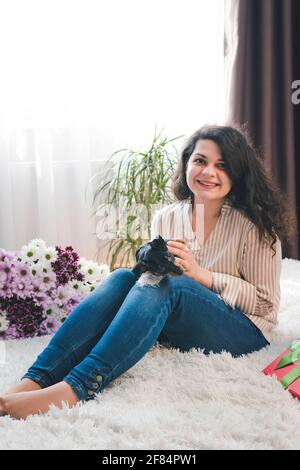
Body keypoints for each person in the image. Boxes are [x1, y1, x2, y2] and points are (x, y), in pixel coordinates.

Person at [0, 125, 294, 420]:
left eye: (222, 165)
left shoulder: (256, 227)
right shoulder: (167, 217)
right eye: (200, 161)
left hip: (245, 330)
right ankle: (34, 380)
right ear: (187, 164)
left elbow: (266, 305)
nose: (208, 172)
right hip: (180, 322)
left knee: (172, 284)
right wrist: (144, 262)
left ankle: (77, 387)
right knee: (121, 278)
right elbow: (147, 287)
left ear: (238, 173)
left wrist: (201, 274)